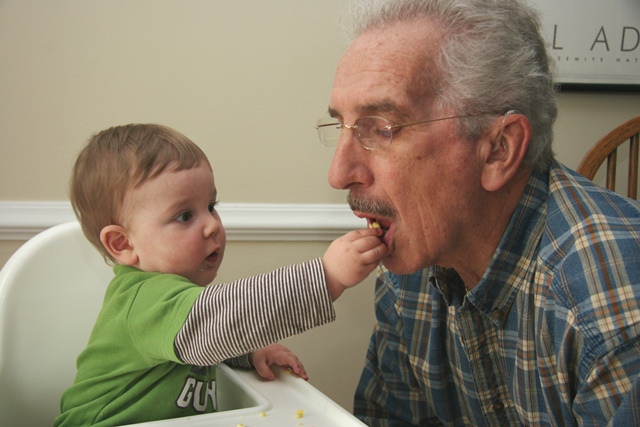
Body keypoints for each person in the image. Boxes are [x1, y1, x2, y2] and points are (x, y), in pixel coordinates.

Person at [316, 0, 640, 425]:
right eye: (342, 126)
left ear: (498, 150)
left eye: (381, 129)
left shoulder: (611, 310)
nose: (338, 174)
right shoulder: (408, 272)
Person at [54, 123, 387, 427]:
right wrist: (327, 276)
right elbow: (217, 322)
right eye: (184, 216)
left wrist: (245, 351)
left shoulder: (177, 305)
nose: (213, 224)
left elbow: (193, 345)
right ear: (123, 243)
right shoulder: (142, 300)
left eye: (211, 206)